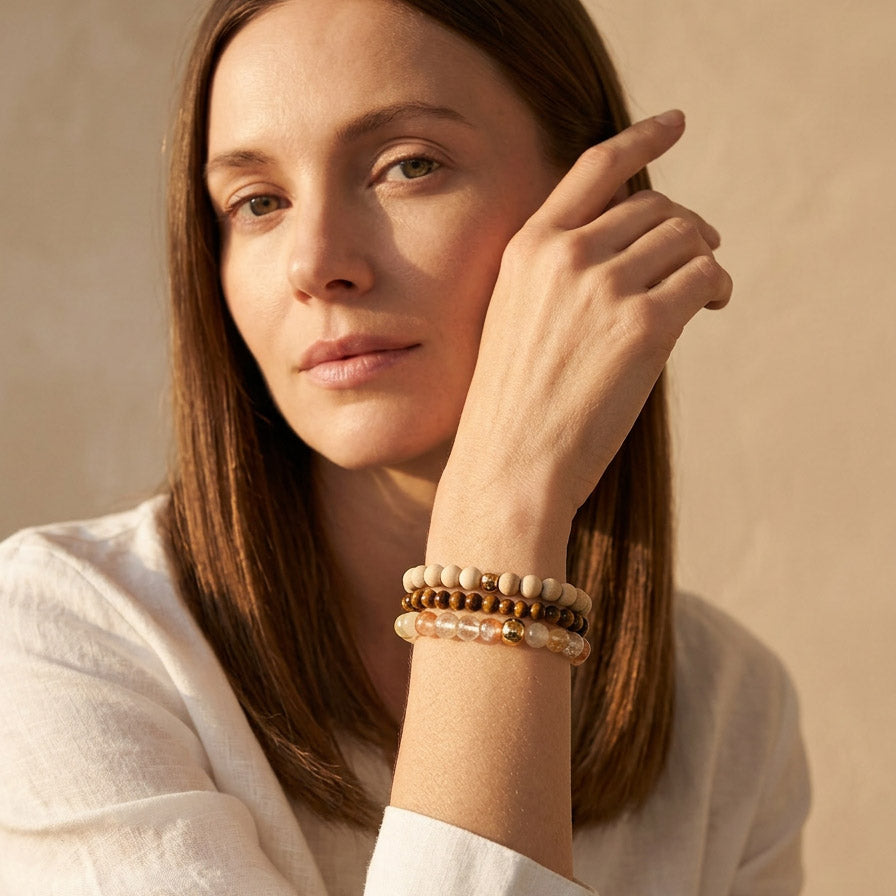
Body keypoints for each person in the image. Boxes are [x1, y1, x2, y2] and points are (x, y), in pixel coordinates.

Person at [0, 0, 810, 892]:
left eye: (407, 166)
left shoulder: (729, 705)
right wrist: (500, 515)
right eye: (258, 202)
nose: (315, 262)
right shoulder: (60, 637)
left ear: (596, 211)